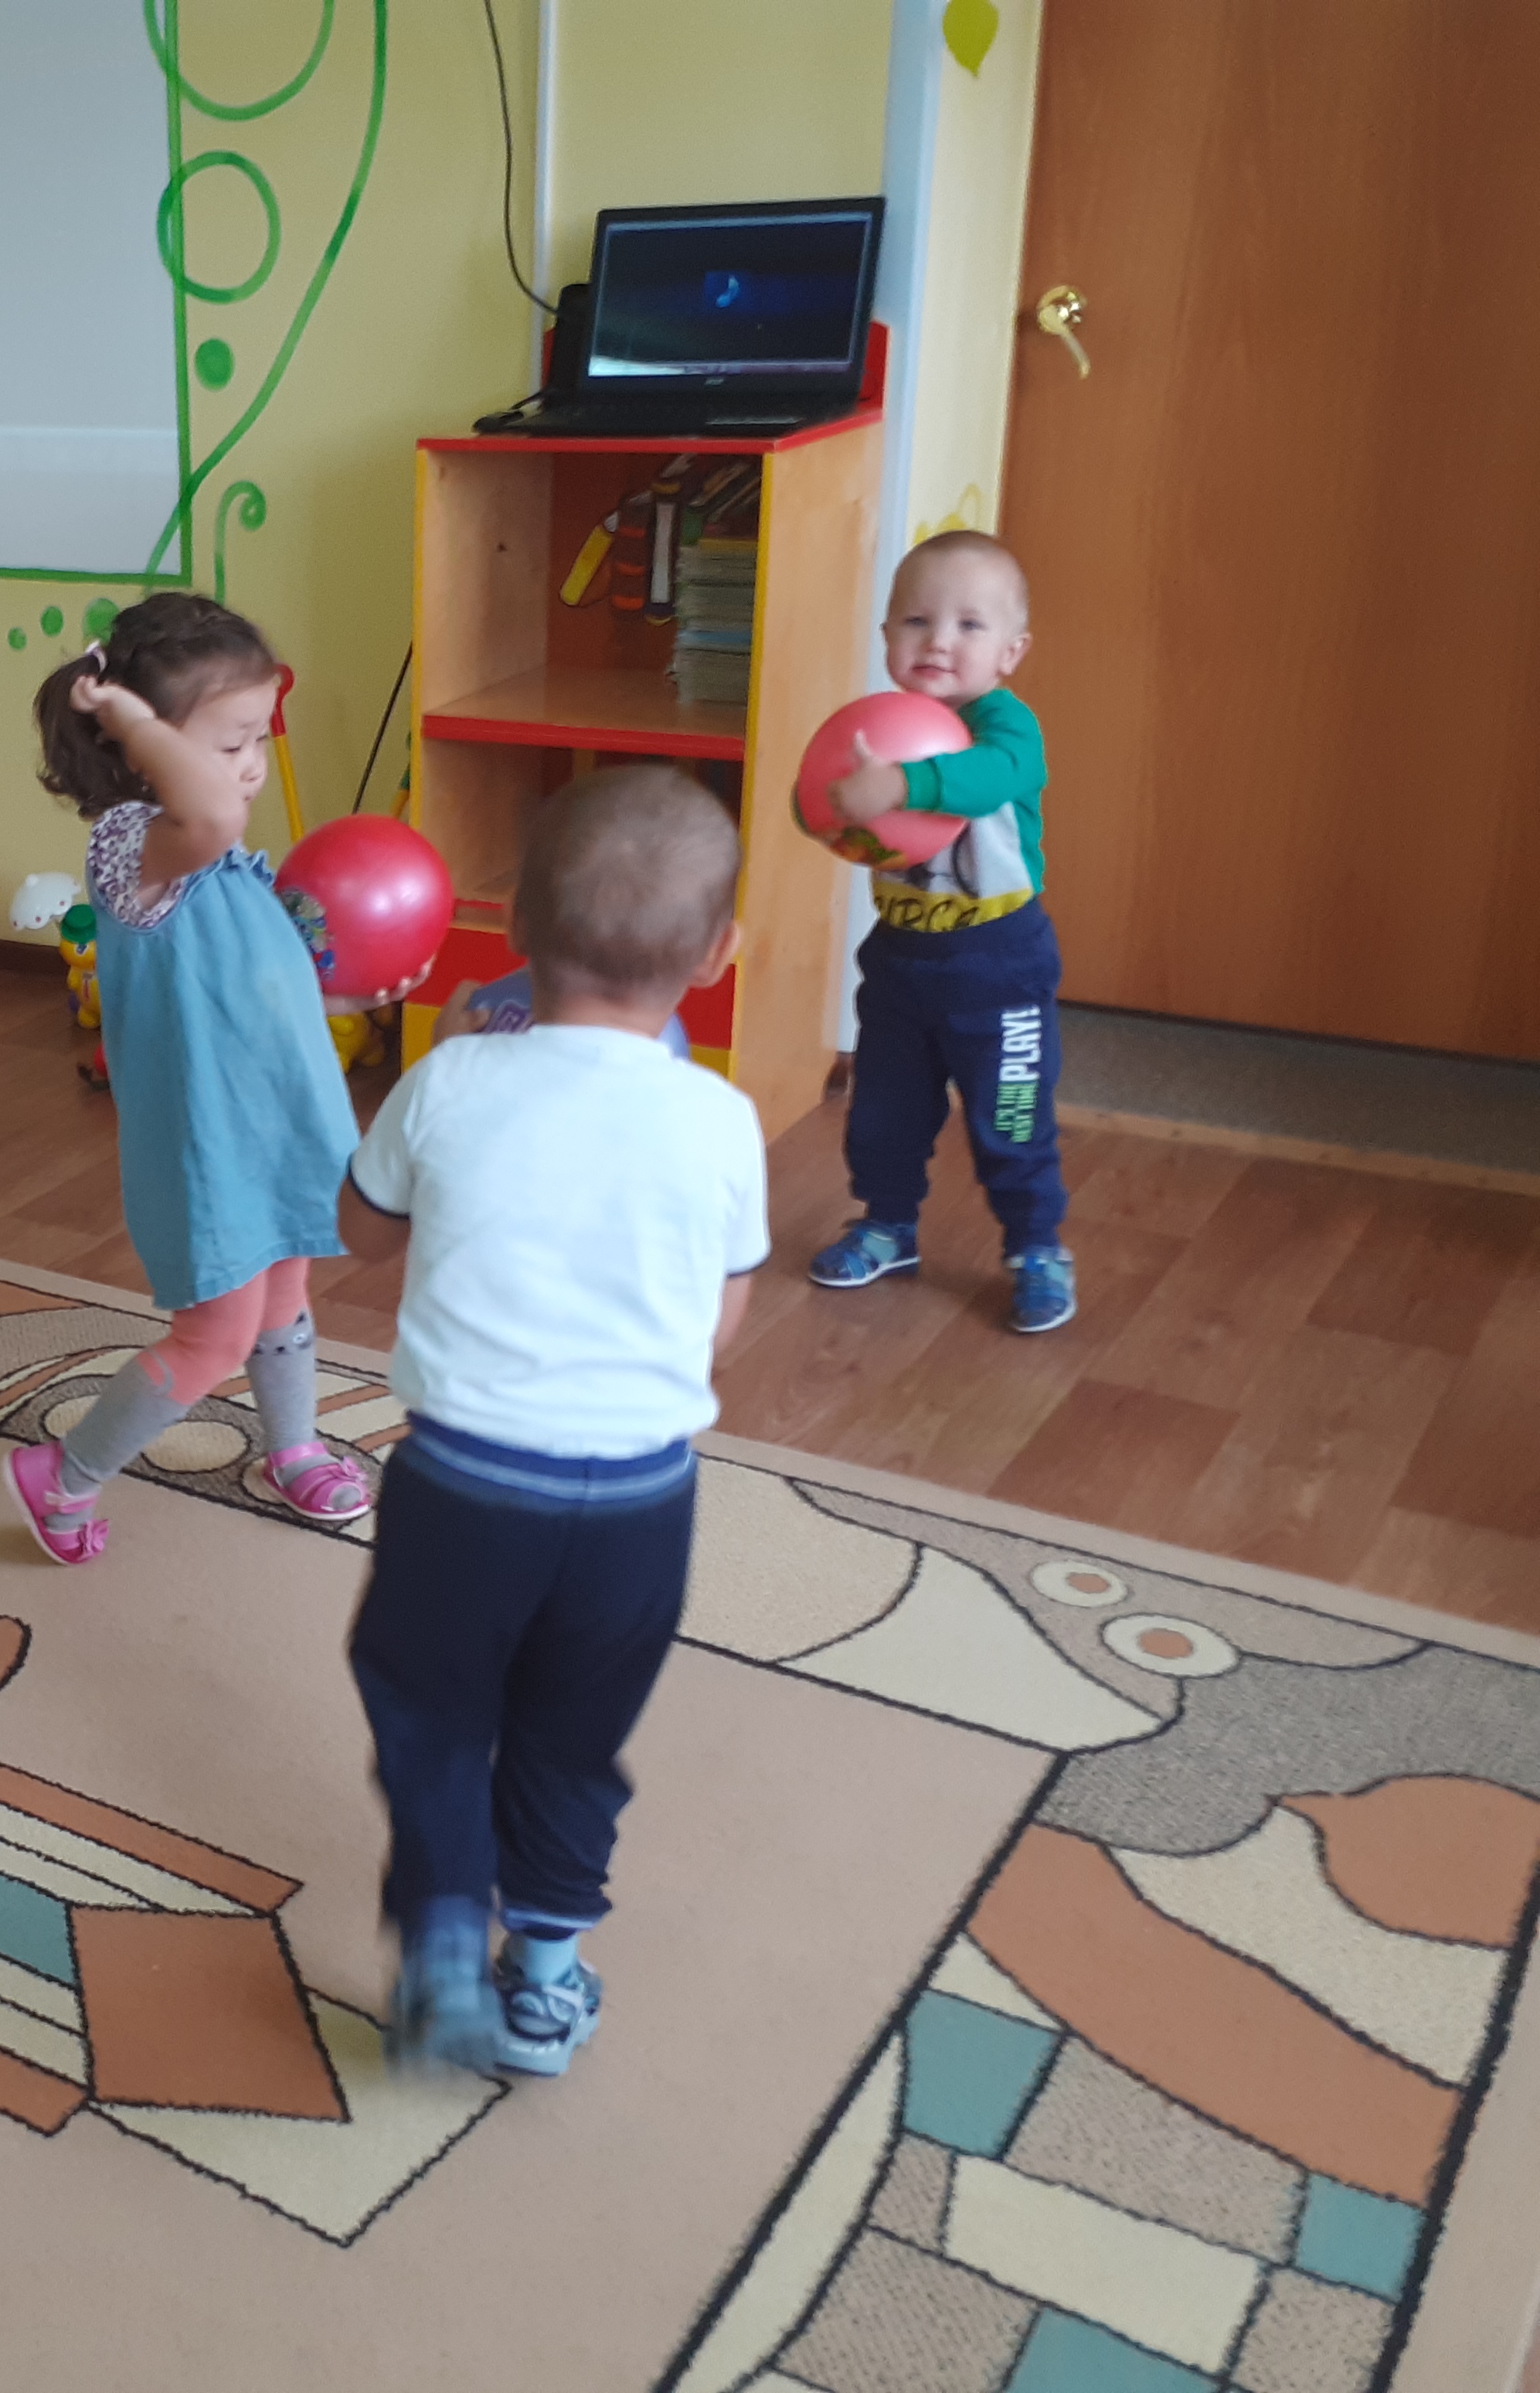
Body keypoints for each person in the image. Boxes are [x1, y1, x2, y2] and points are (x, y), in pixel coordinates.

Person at [338, 767, 765, 2078]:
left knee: (432, 1711)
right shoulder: (721, 1118)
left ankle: (442, 1940)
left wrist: (450, 1055)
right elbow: (718, 1322)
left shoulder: (451, 1080)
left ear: (513, 924)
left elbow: (361, 1230)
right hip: (639, 1498)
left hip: (464, 1485)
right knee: (572, 1736)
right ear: (718, 953)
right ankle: (543, 1984)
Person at [0, 594, 370, 1562]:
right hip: (208, 1150)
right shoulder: (137, 847)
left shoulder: (224, 858)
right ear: (138, 748)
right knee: (213, 1336)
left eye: (259, 738)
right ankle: (63, 1477)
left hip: (271, 1125)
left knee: (284, 1292)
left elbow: (252, 981)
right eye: (229, 742)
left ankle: (292, 1446)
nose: (249, 764)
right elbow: (204, 809)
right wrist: (128, 714)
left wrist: (350, 991)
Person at [811, 529, 1073, 1332]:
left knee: (1012, 1118)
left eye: (969, 625)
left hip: (1000, 962)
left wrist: (901, 784)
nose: (938, 642)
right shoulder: (881, 724)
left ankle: (1036, 1246)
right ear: (886, 634)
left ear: (1011, 652)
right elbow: (818, 797)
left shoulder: (1007, 725)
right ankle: (887, 1224)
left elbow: (994, 778)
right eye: (917, 621)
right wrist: (827, 801)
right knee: (883, 1110)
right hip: (900, 960)